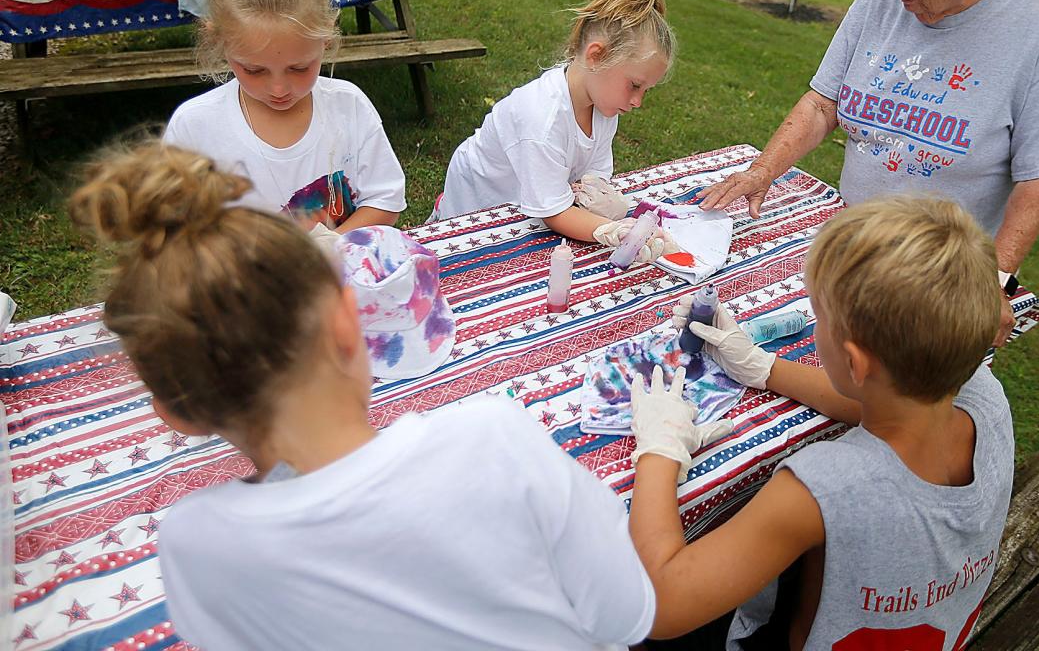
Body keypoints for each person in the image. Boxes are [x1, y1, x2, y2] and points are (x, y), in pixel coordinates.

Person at [68, 141, 657, 650]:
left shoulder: (193, 543)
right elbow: (628, 614)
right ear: (352, 323)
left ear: (175, 412)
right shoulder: (493, 438)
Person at [700, 0, 1039, 347]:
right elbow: (822, 103)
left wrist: (995, 284)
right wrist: (763, 170)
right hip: (854, 250)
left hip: (942, 281)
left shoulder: (1037, 19)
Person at [628, 196, 1015, 650]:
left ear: (854, 362)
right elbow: (884, 403)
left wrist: (659, 448)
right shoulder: (985, 397)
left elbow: (660, 604)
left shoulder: (822, 486)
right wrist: (760, 366)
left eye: (820, 318)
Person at [163, 0, 405, 234]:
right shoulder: (194, 127)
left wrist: (322, 252)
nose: (279, 89)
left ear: (326, 39)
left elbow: (385, 199)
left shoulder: (349, 106)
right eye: (254, 70)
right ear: (220, 43)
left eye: (299, 68)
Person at [438, 0, 678, 263]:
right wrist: (612, 231)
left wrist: (598, 198)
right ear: (596, 56)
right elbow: (555, 213)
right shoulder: (543, 118)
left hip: (532, 199)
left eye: (646, 90)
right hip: (480, 204)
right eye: (635, 85)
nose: (638, 101)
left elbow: (591, 178)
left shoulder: (604, 108)